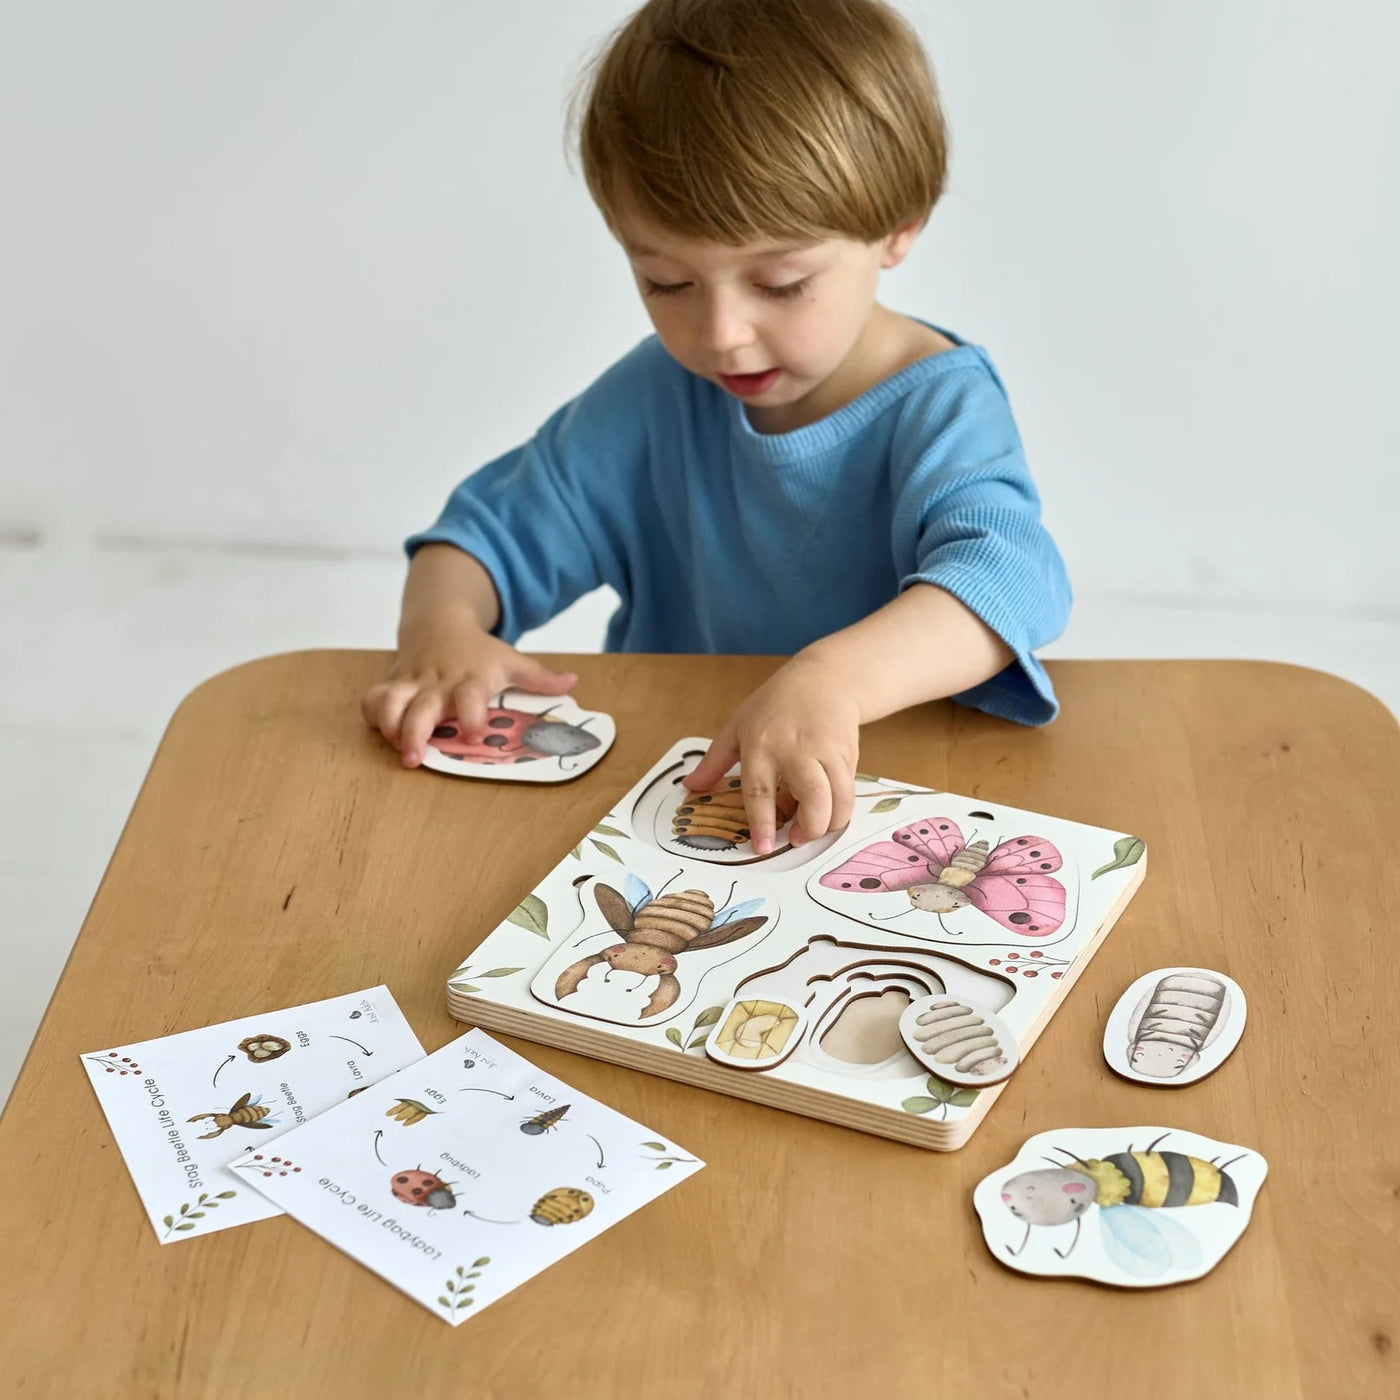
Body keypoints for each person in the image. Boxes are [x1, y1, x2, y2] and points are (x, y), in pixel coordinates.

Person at [363, 0, 1070, 854]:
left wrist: (831, 682)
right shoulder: (656, 396)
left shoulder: (940, 405)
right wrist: (443, 632)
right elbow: (477, 541)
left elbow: (1010, 585)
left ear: (898, 228)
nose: (721, 333)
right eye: (666, 283)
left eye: (778, 282)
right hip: (692, 799)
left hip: (903, 807)